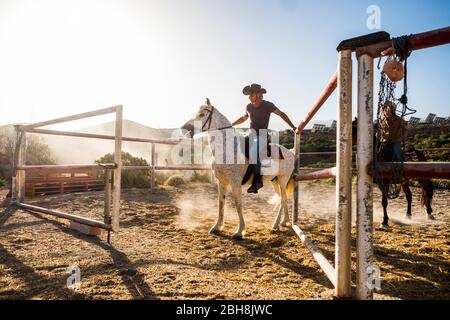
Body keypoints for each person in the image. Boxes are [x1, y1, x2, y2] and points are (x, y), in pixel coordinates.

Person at [232, 83, 297, 193]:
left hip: (262, 136)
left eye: (251, 94)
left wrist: (292, 127)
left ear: (258, 94)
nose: (249, 97)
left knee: (254, 152)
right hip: (250, 134)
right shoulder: (248, 106)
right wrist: (231, 124)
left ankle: (258, 181)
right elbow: (244, 118)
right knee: (237, 145)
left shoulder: (268, 105)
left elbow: (281, 114)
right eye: (248, 95)